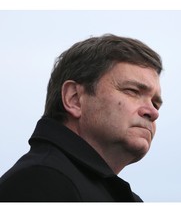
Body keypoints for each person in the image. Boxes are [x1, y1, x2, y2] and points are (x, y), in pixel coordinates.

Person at [0, 34, 163, 202]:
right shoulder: (38, 181)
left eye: (156, 103)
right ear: (75, 99)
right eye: (132, 91)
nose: (153, 112)